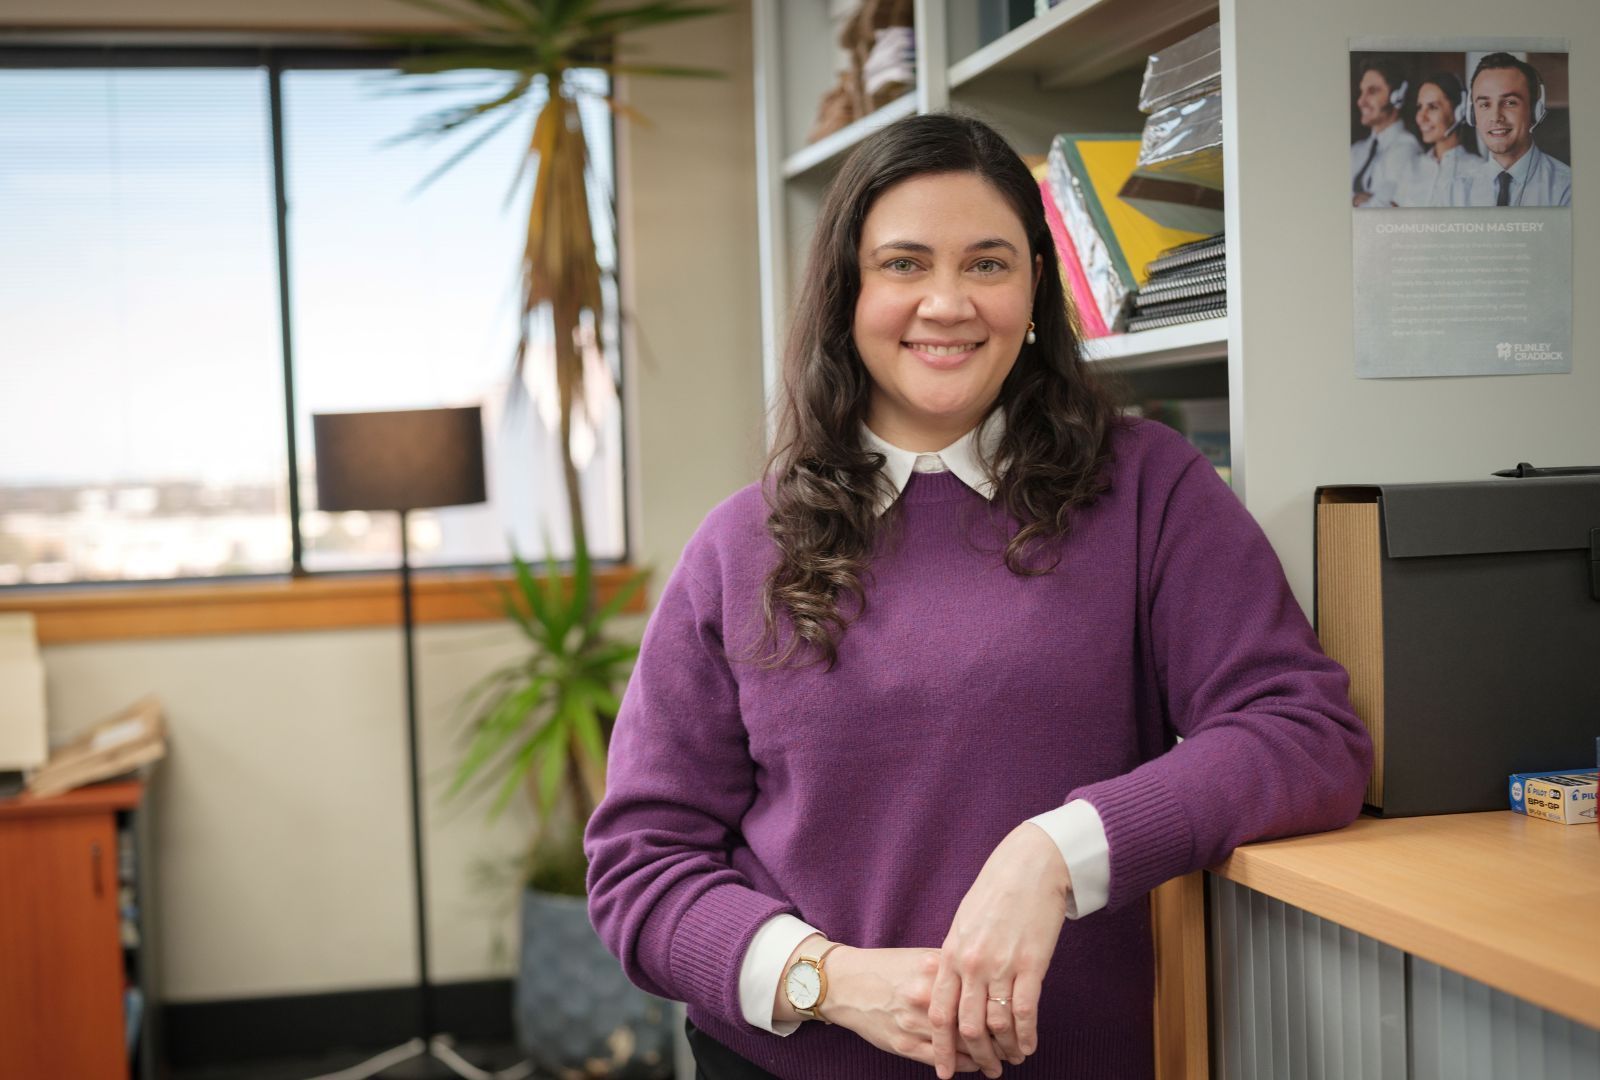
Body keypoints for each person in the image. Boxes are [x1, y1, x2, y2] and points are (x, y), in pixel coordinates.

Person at [585, 113, 1373, 1080]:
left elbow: (1304, 730)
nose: (948, 302)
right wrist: (825, 979)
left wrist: (1056, 854)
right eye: (905, 264)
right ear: (847, 295)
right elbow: (642, 867)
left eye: (989, 264)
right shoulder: (739, 545)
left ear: (1036, 286)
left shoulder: (1147, 489)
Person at [1454, 52, 1571, 206]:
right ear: (1472, 114)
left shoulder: (1567, 187)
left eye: (1510, 103)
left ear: (1535, 110)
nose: (1495, 117)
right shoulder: (1456, 191)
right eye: (1485, 105)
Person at [1391, 72, 1477, 207]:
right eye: (1420, 107)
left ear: (1459, 112)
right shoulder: (1412, 166)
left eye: (1432, 107)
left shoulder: (1477, 170)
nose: (1421, 117)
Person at [1351, 57, 1422, 207]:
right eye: (1362, 91)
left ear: (1397, 96)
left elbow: (1382, 210)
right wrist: (1355, 200)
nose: (1361, 101)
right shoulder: (1356, 150)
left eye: (1372, 91)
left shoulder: (1407, 149)